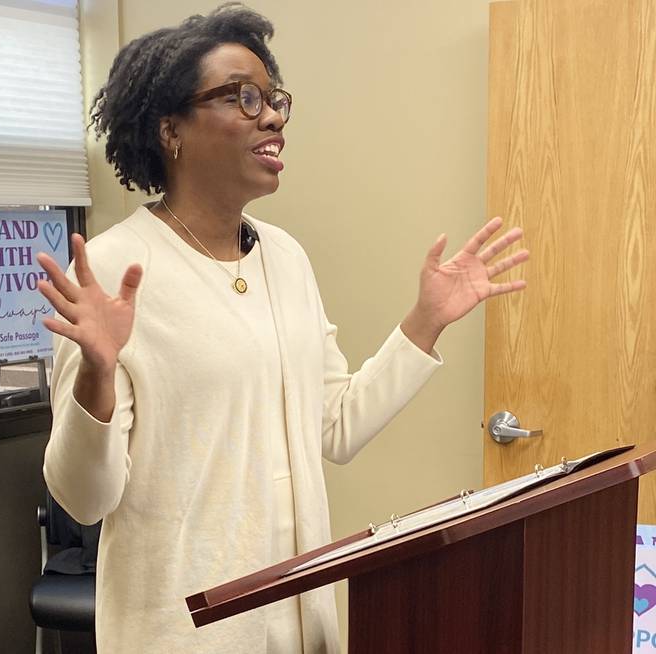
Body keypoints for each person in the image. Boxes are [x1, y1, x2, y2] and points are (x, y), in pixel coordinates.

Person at [36, 4, 528, 653]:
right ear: (169, 130)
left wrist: (425, 322)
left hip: (304, 628)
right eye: (243, 98)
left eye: (273, 100)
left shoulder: (285, 258)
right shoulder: (112, 271)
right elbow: (85, 497)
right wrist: (96, 377)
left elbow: (336, 425)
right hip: (185, 637)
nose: (270, 117)